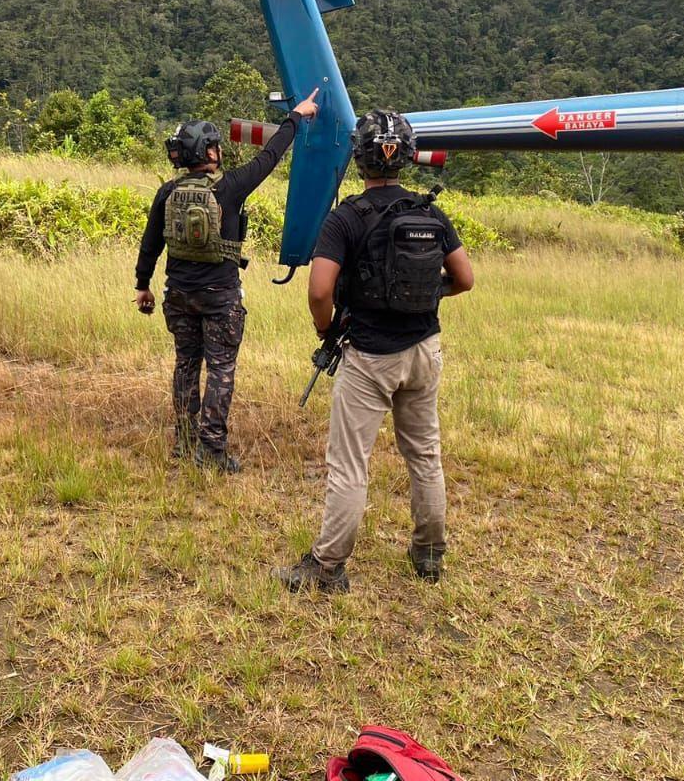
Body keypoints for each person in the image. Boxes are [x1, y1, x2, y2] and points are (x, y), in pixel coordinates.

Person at [276, 109, 474, 593]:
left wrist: (329, 329)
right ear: (405, 157)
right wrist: (423, 295)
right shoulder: (431, 212)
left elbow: (319, 291)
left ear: (360, 158)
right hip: (424, 349)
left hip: (369, 356)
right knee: (425, 454)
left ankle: (327, 566)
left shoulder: (346, 217)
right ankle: (429, 553)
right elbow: (465, 280)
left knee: (349, 464)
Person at [134, 88, 320, 473]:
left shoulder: (167, 192)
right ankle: (213, 451)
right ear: (209, 153)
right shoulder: (229, 188)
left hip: (178, 295)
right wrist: (296, 117)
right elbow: (270, 156)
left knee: (186, 364)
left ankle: (184, 446)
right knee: (220, 369)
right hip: (220, 298)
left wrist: (142, 285)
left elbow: (150, 244)